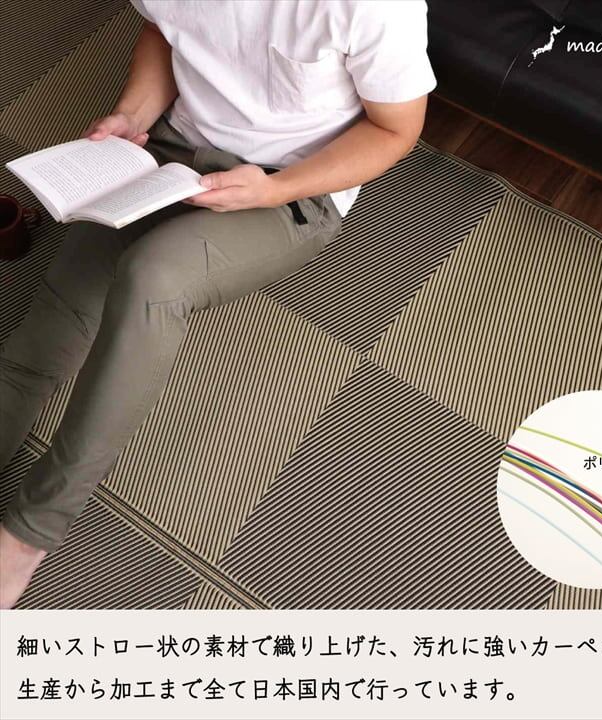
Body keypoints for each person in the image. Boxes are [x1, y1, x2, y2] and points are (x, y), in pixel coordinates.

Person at [0, 0, 436, 608]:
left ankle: (30, 532)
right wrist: (134, 113)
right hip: (168, 151)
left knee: (153, 280)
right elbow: (164, 26)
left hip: (288, 186)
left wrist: (274, 189)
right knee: (48, 330)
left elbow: (396, 129)